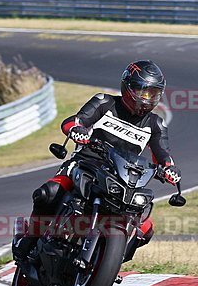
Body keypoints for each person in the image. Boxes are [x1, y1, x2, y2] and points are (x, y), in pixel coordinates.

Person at [13, 59, 181, 262]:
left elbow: (163, 153)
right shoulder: (105, 102)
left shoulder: (156, 124)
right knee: (47, 194)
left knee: (146, 229)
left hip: (124, 178)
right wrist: (78, 129)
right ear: (128, 86)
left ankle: (111, 262)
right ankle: (28, 241)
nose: (146, 98)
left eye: (152, 93)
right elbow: (75, 120)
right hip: (86, 165)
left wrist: (169, 169)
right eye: (143, 91)